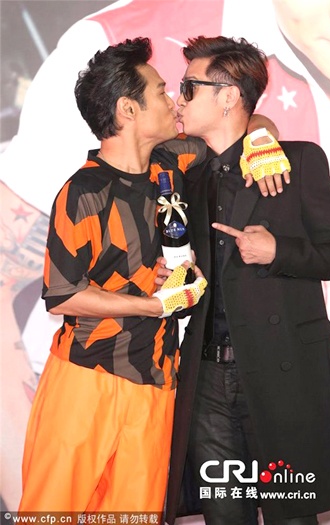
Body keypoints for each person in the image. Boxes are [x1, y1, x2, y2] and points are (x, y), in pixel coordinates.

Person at [17, 37, 210, 512]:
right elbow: (63, 294)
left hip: (156, 386)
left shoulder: (174, 162)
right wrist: (153, 305)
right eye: (161, 91)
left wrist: (264, 139)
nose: (173, 100)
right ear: (128, 109)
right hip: (86, 381)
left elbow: (240, 131)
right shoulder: (83, 191)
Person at [163, 36, 330, 525]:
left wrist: (278, 251)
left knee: (292, 516)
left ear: (228, 96)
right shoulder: (188, 177)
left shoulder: (297, 161)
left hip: (282, 369)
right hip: (207, 378)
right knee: (223, 516)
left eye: (189, 87)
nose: (179, 99)